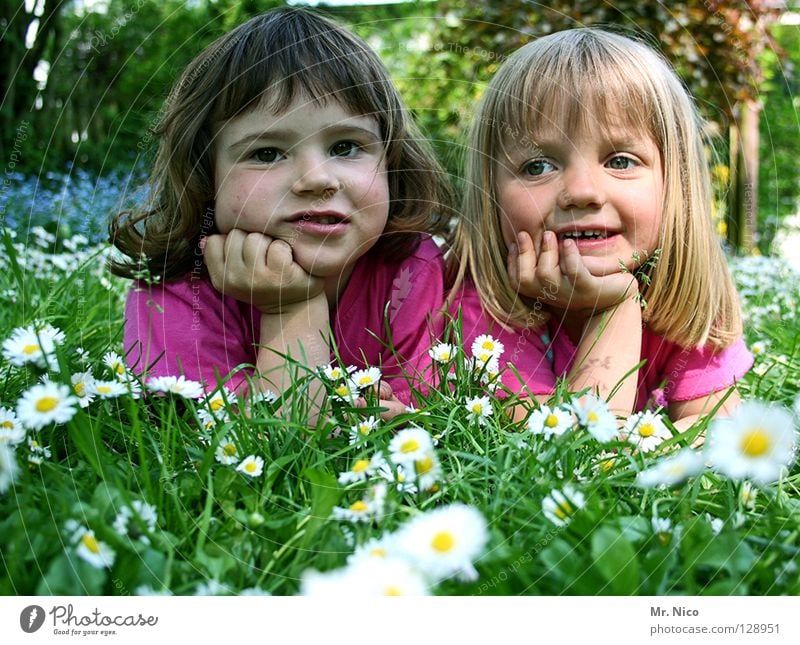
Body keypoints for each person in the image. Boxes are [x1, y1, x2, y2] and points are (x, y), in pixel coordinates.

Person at [110, 8, 452, 415]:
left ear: (391, 162)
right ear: (205, 176)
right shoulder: (176, 292)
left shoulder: (409, 270)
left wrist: (400, 417)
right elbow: (266, 441)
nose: (316, 179)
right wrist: (290, 308)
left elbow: (427, 413)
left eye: (345, 147)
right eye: (267, 153)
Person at [447, 28, 752, 429]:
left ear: (675, 185)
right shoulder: (479, 308)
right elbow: (571, 451)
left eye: (621, 161)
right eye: (538, 166)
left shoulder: (691, 303)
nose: (582, 192)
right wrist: (615, 308)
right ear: (491, 195)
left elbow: (717, 438)